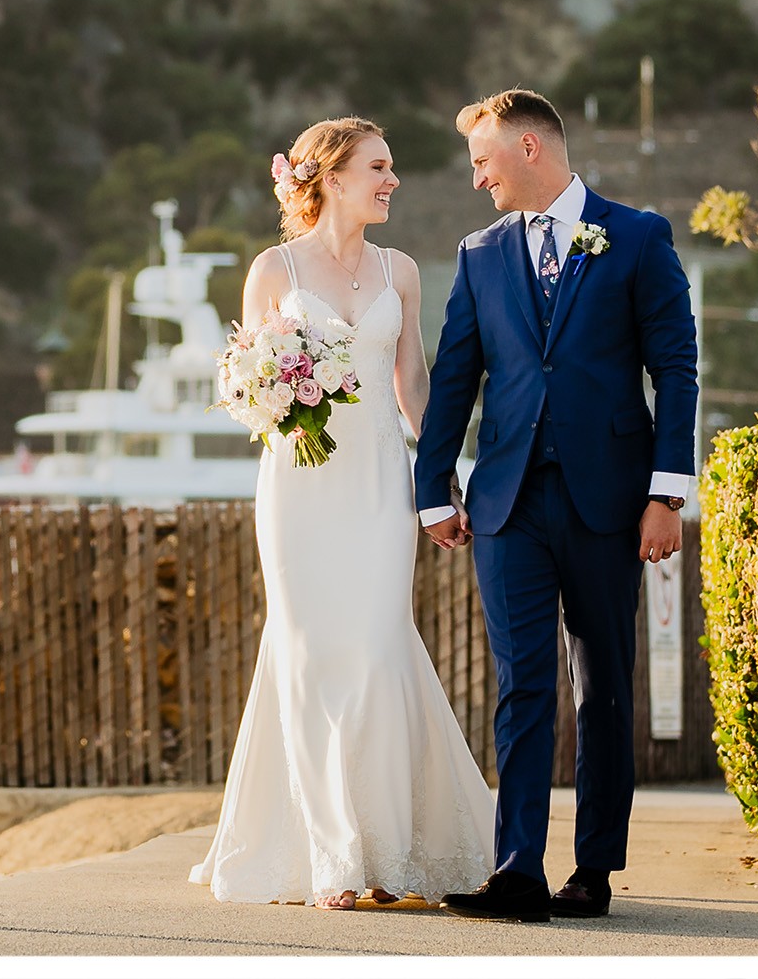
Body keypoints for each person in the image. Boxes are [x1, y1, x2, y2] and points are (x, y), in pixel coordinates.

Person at [190, 117, 494, 911]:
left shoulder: (401, 271)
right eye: (378, 168)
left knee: (377, 647)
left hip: (379, 486)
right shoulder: (273, 269)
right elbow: (242, 383)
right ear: (328, 176)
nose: (392, 181)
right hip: (299, 489)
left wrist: (444, 478)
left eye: (391, 169)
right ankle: (334, 857)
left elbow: (413, 385)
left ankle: (389, 848)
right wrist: (277, 396)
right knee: (309, 653)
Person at [415, 89, 697, 923]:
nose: (477, 180)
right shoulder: (478, 253)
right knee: (522, 683)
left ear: (530, 149)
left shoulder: (638, 236)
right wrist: (434, 490)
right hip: (506, 503)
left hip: (611, 502)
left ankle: (594, 871)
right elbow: (456, 381)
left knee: (603, 684)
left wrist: (665, 495)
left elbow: (675, 370)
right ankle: (517, 871)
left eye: (483, 160)